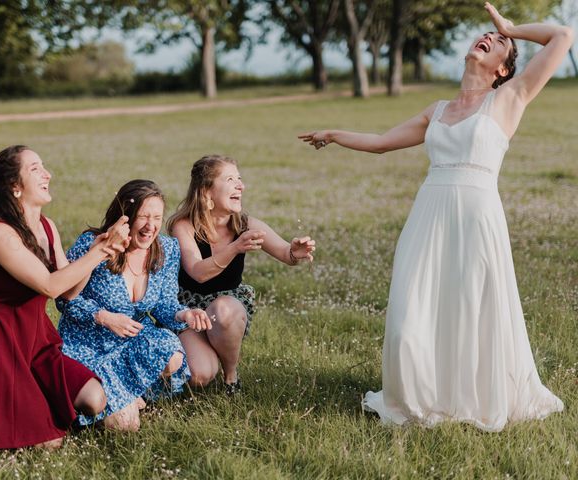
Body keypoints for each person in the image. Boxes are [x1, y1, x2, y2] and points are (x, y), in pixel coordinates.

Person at [299, 3, 571, 431]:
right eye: (486, 35)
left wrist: (511, 27)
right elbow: (382, 142)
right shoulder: (437, 110)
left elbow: (562, 38)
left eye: (498, 43)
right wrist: (333, 134)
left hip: (477, 219)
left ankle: (468, 396)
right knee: (412, 314)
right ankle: (418, 396)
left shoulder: (509, 98)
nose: (488, 39)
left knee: (471, 310)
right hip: (428, 216)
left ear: (503, 69)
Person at [0, 145, 129, 449]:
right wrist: (100, 252)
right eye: (35, 169)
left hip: (37, 341)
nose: (47, 174)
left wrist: (101, 248)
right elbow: (49, 286)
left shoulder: (47, 226)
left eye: (44, 166)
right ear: (15, 187)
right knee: (50, 442)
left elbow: (68, 292)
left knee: (95, 399)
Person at [57, 179, 211, 431]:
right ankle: (109, 400)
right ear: (125, 217)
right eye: (143, 217)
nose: (151, 226)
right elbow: (64, 300)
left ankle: (129, 393)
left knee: (171, 352)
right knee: (126, 426)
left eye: (157, 217)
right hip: (89, 344)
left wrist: (185, 313)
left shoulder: (167, 249)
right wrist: (103, 316)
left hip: (131, 339)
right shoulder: (94, 243)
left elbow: (164, 304)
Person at [167, 155, 316, 394]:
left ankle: (231, 376)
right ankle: (210, 349)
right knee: (199, 376)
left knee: (223, 310)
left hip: (227, 310)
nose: (241, 185)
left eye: (239, 179)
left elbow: (286, 254)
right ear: (207, 191)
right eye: (230, 179)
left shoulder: (246, 224)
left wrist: (296, 252)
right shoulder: (183, 226)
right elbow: (198, 272)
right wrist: (235, 247)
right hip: (190, 311)